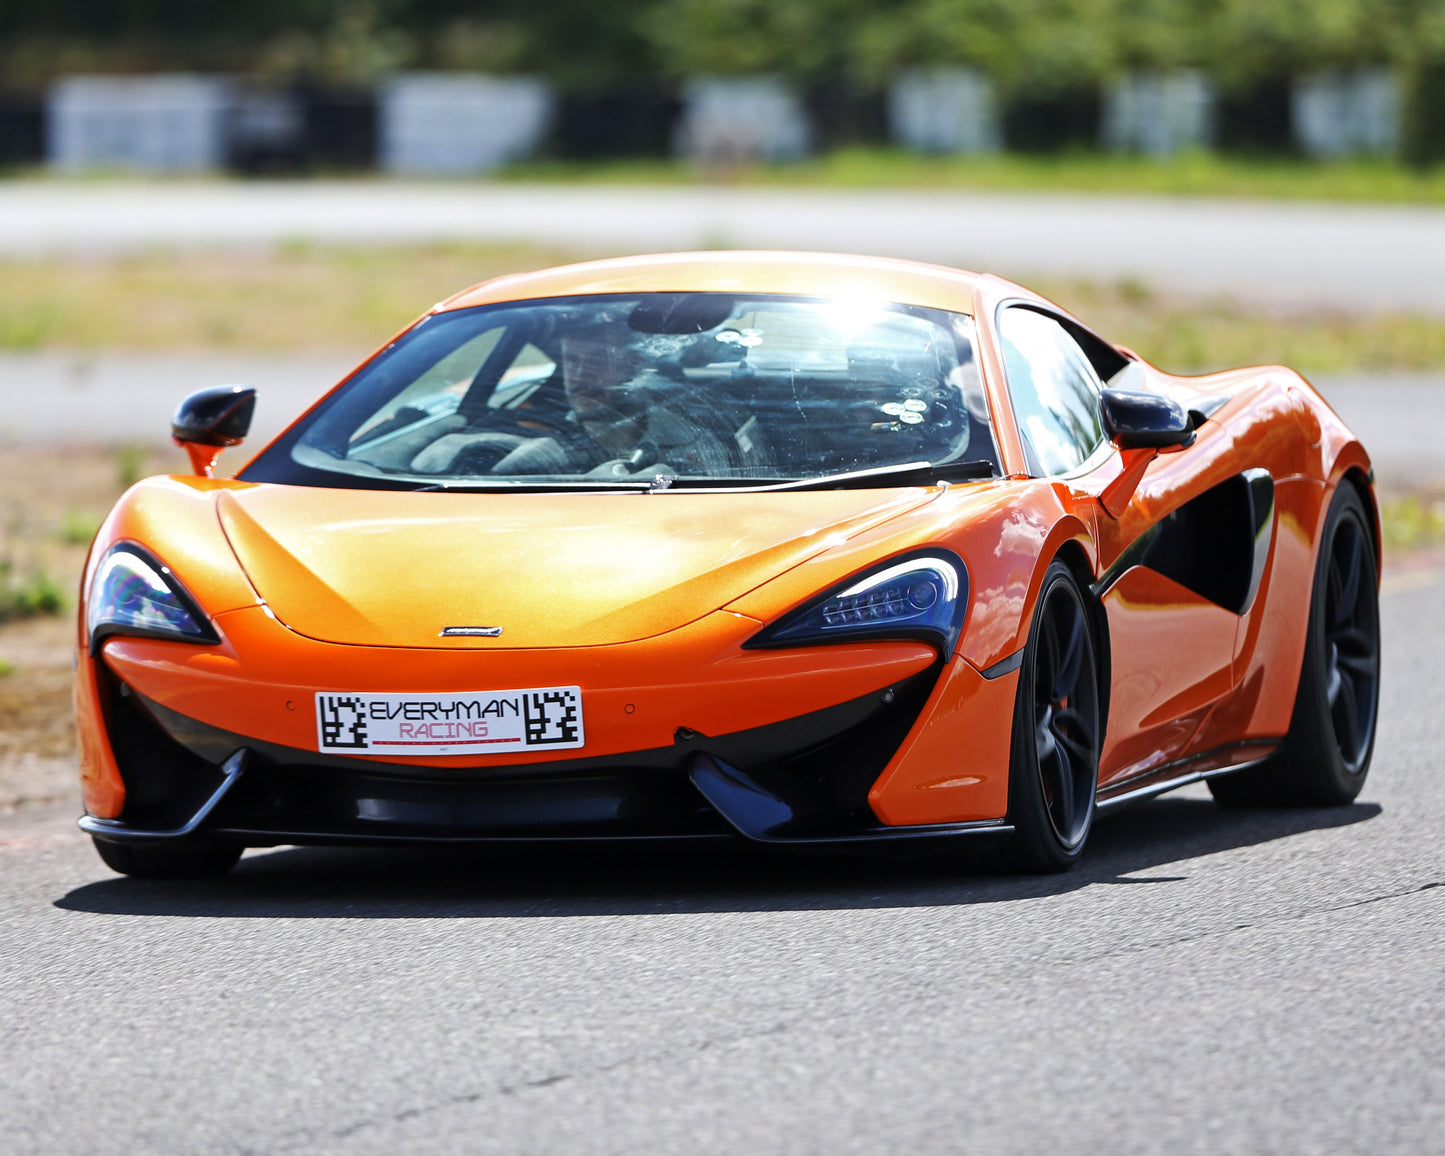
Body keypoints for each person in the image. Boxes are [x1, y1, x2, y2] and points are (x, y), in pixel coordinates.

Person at [492, 320, 735, 477]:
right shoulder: (530, 441)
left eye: (598, 361)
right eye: (572, 361)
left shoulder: (691, 441)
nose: (579, 375)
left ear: (635, 366)